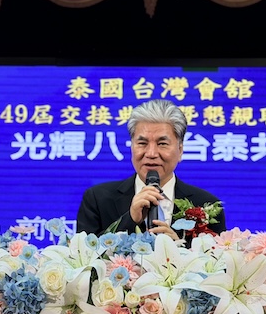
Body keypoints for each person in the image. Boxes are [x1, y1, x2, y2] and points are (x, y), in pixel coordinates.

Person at [76, 99, 225, 239]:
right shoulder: (98, 199)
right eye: (142, 143)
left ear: (180, 150)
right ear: (132, 147)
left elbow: (215, 257)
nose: (151, 153)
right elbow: (85, 253)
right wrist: (130, 219)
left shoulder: (206, 204)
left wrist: (178, 249)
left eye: (162, 144)